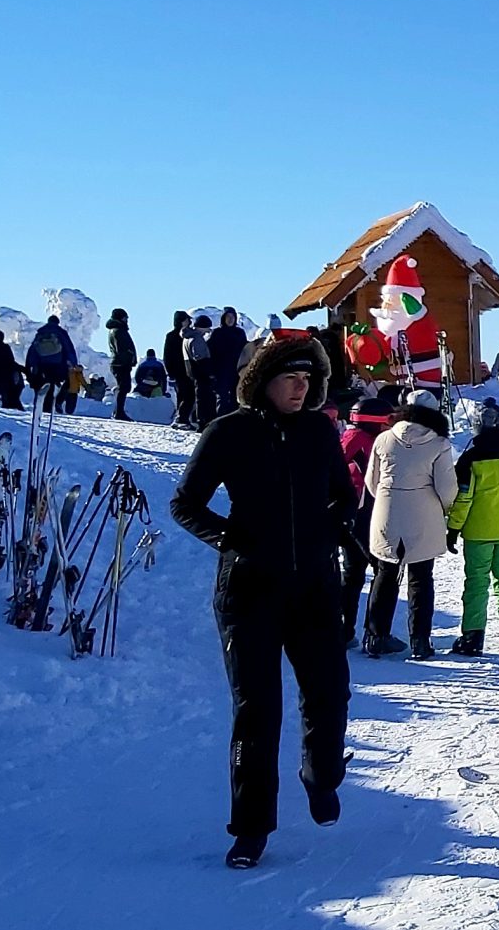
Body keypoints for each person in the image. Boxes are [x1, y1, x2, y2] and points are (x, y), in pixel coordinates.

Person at [167, 335, 356, 870]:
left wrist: (333, 527)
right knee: (257, 711)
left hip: (315, 588)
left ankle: (320, 777)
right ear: (263, 383)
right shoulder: (228, 432)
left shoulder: (320, 430)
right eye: (290, 379)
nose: (302, 389)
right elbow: (185, 504)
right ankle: (250, 829)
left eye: (308, 380)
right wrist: (232, 539)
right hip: (248, 592)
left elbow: (345, 495)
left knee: (329, 692)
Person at [363, 389, 457, 660]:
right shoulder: (439, 443)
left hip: (387, 510)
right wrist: (443, 508)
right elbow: (446, 488)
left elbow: (372, 482)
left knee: (384, 574)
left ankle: (375, 636)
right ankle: (419, 641)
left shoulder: (384, 439)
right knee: (421, 578)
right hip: (423, 513)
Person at [448, 404, 499, 656]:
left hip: (478, 532)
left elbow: (463, 498)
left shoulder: (470, 459)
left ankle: (473, 637)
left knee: (476, 582)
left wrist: (453, 528)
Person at [337, 395, 394, 643]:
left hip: (354, 513)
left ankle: (344, 630)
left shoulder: (357, 437)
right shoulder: (362, 440)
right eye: (387, 421)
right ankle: (374, 633)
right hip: (362, 514)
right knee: (382, 569)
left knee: (353, 573)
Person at [26, 314, 76, 414]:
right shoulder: (61, 332)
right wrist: (73, 364)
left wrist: (30, 365)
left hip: (42, 364)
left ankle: (44, 407)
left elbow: (32, 350)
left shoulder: (41, 332)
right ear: (57, 322)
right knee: (66, 382)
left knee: (44, 384)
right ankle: (57, 402)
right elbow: (69, 348)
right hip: (58, 364)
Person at [209, 309, 249, 419]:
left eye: (232, 317)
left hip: (236, 371)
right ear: (223, 318)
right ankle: (220, 422)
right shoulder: (217, 333)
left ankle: (233, 423)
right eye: (228, 317)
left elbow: (245, 350)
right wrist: (212, 371)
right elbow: (211, 353)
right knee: (222, 398)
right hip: (221, 371)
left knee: (235, 398)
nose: (230, 319)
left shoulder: (240, 333)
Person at [162, 312, 197, 430]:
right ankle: (181, 418)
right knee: (188, 395)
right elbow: (167, 355)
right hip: (180, 370)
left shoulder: (188, 334)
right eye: (186, 320)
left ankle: (182, 418)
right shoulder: (172, 336)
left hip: (187, 370)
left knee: (183, 395)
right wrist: (170, 371)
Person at [107, 308, 138, 420]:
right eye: (125, 317)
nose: (127, 320)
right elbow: (122, 349)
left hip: (120, 363)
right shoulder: (118, 331)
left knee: (124, 387)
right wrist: (128, 359)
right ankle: (118, 412)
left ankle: (118, 411)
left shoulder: (118, 330)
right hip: (120, 364)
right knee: (124, 387)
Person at [189, 316, 219, 428]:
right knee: (203, 397)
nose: (208, 331)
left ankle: (198, 419)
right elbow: (201, 358)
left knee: (200, 397)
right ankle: (202, 421)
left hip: (196, 373)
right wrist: (209, 372)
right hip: (202, 373)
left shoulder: (189, 338)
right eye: (207, 328)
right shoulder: (197, 339)